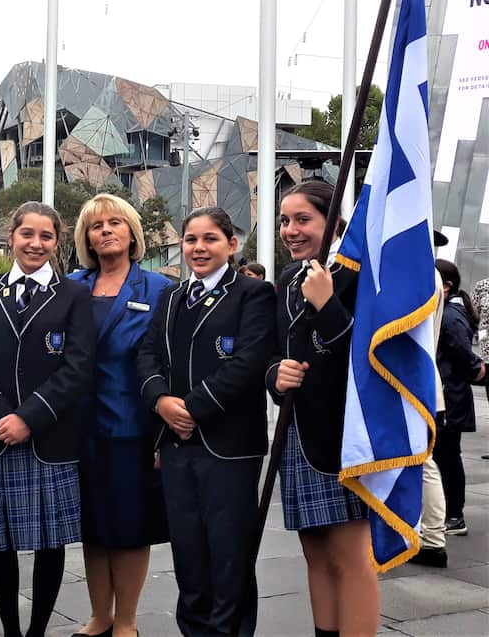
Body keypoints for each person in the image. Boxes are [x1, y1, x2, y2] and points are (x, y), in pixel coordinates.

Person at [0, 201, 96, 637]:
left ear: (57, 243)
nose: (36, 243)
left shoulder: (74, 296)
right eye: (27, 234)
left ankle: (37, 630)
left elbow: (77, 367)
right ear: (11, 237)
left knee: (50, 542)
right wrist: (1, 416)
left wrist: (29, 418)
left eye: (46, 236)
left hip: (49, 437)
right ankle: (11, 631)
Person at [137, 206, 275, 637]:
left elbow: (248, 363)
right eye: (191, 239)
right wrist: (161, 401)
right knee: (189, 555)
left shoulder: (254, 295)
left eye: (210, 239)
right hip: (177, 447)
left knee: (230, 555)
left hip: (228, 447)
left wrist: (190, 408)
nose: (199, 248)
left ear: (232, 245)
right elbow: (147, 355)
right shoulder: (172, 296)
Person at [266, 180, 378, 636]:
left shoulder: (359, 273)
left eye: (303, 219)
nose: (291, 230)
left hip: (341, 433)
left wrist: (328, 303)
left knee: (349, 553)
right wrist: (275, 375)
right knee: (313, 549)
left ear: (333, 221)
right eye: (285, 221)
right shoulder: (288, 280)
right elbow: (274, 352)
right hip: (298, 431)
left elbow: (370, 355)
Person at [67, 194, 173, 637]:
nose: (105, 231)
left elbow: (169, 363)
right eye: (96, 226)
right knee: (92, 526)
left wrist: (164, 435)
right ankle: (99, 616)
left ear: (133, 233)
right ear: (86, 238)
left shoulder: (159, 289)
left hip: (134, 427)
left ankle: (126, 620)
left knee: (131, 527)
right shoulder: (71, 286)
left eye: (115, 223)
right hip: (78, 429)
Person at [434, 258, 483, 538]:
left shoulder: (451, 315)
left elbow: (462, 353)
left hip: (449, 396)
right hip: (448, 394)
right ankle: (450, 513)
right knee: (445, 455)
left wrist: (477, 370)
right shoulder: (450, 311)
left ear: (447, 286)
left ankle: (454, 515)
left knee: (448, 456)